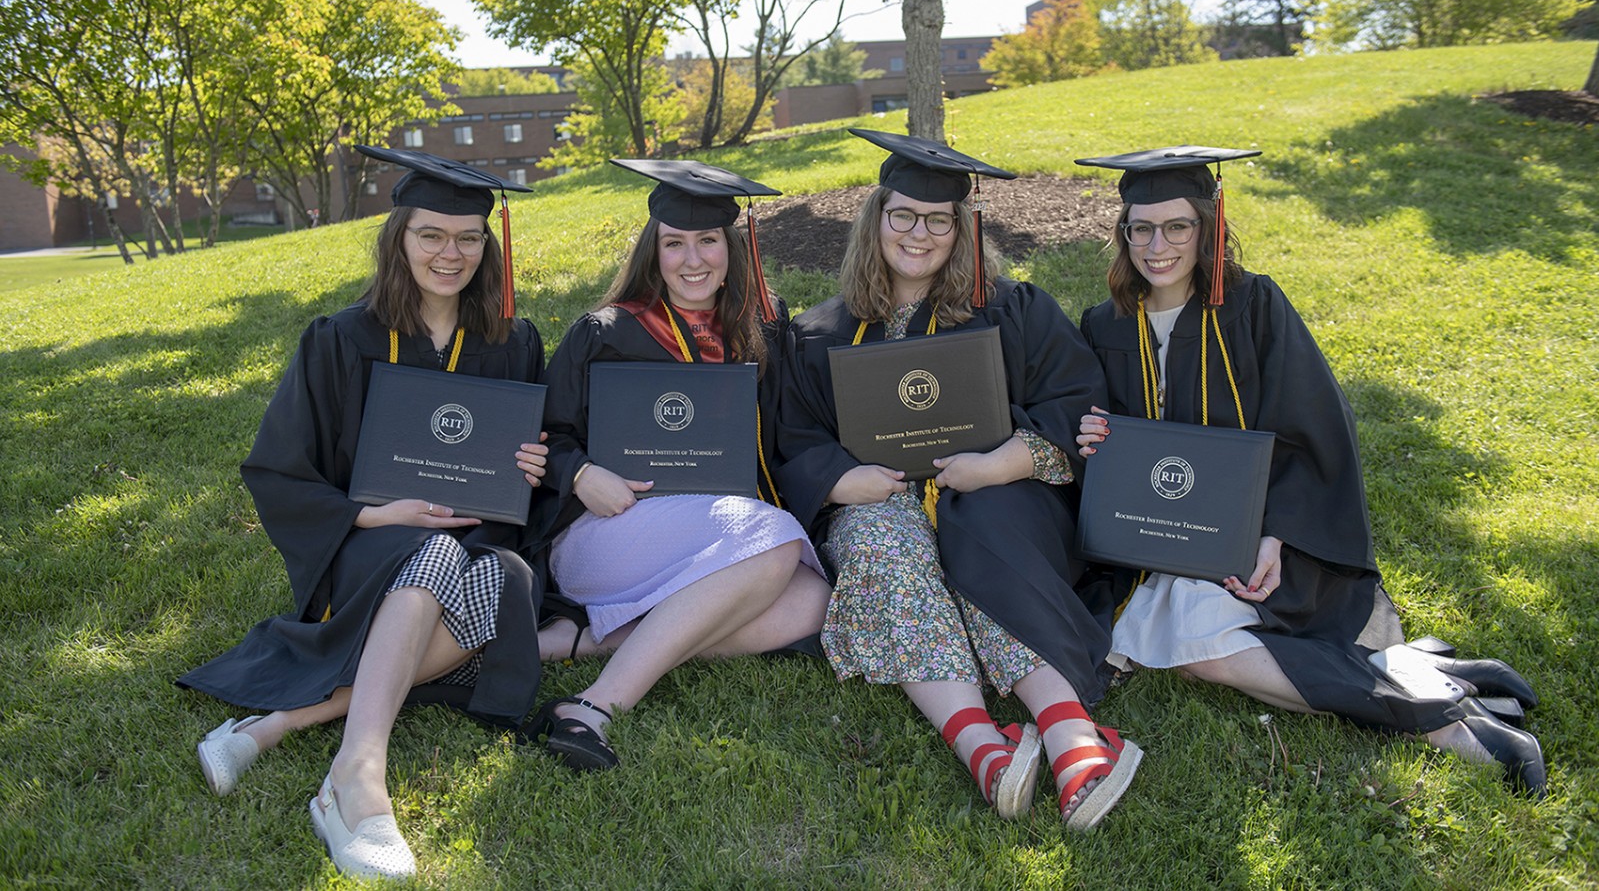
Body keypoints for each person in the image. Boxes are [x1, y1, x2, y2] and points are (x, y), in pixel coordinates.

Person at [1073, 146, 1546, 796]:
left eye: (1176, 226)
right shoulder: (1104, 325)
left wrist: (1277, 533)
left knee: (1203, 656)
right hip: (1159, 545)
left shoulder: (1253, 306)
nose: (1158, 245)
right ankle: (1421, 677)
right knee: (1193, 654)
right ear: (1122, 236)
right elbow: (1107, 439)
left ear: (1205, 228)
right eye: (1141, 228)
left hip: (1262, 535)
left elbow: (1313, 424)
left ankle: (1440, 721)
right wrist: (1090, 433)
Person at [177, 147, 551, 879]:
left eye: (469, 238)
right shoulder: (337, 340)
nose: (451, 253)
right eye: (431, 235)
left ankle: (276, 725)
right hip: (362, 549)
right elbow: (276, 469)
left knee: (500, 579)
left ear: (488, 243)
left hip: (473, 543)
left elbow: (526, 471)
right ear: (399, 239)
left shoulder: (514, 344)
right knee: (433, 555)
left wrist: (531, 470)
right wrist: (375, 515)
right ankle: (360, 778)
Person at [777, 129, 1141, 828]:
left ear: (960, 227)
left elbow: (1075, 402)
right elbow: (794, 435)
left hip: (1003, 496)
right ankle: (983, 746)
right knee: (882, 537)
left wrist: (1009, 461)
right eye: (902, 216)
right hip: (883, 499)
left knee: (980, 520)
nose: (919, 233)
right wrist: (839, 482)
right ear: (875, 219)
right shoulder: (819, 331)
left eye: (937, 219)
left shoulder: (1013, 308)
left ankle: (1069, 733)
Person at [530, 158, 832, 772]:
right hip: (607, 533)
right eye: (674, 244)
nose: (692, 260)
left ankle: (586, 641)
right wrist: (584, 474)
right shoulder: (607, 331)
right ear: (654, 250)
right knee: (774, 544)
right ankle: (597, 706)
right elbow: (545, 434)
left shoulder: (760, 331)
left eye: (707, 241)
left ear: (732, 248)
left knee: (814, 604)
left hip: (714, 541)